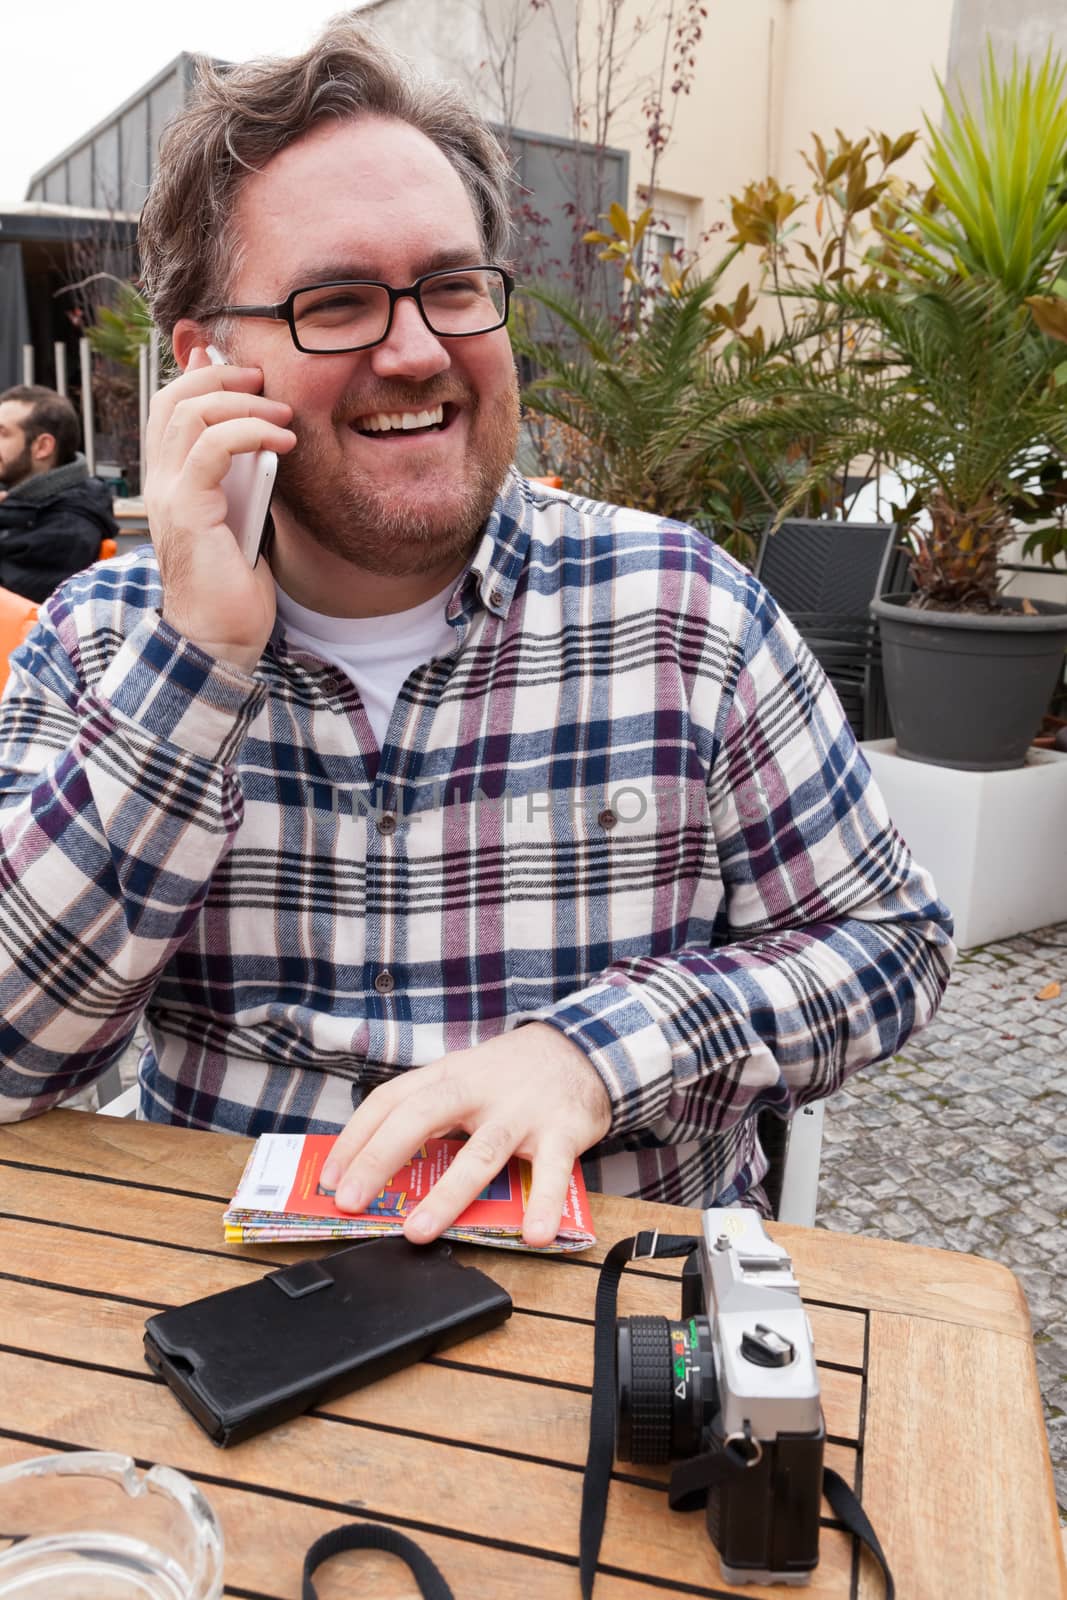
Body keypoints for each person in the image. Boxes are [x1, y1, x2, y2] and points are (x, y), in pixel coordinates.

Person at [0, 18, 953, 1244]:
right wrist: (199, 663)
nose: (415, 349)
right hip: (216, 1333)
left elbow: (889, 945)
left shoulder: (681, 614)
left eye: (451, 286)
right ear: (207, 364)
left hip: (603, 1330)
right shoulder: (102, 639)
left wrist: (596, 1054)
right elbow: (13, 1051)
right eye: (336, 301)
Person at [0, 385, 118, 603]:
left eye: (2, 433)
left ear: (43, 447)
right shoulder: (29, 505)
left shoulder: (66, 531)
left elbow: (12, 614)